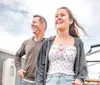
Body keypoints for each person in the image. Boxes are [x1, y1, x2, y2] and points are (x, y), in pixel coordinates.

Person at [36, 6, 88, 85]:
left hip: (69, 81)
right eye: (56, 16)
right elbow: (40, 67)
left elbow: (82, 65)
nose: (58, 18)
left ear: (70, 21)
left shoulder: (78, 43)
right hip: (49, 81)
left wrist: (80, 79)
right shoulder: (47, 42)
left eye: (62, 15)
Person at [14, 14, 47, 85]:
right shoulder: (27, 42)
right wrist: (19, 69)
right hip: (24, 81)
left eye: (34, 22)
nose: (32, 24)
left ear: (43, 25)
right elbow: (17, 56)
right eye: (32, 23)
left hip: (40, 82)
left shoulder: (48, 43)